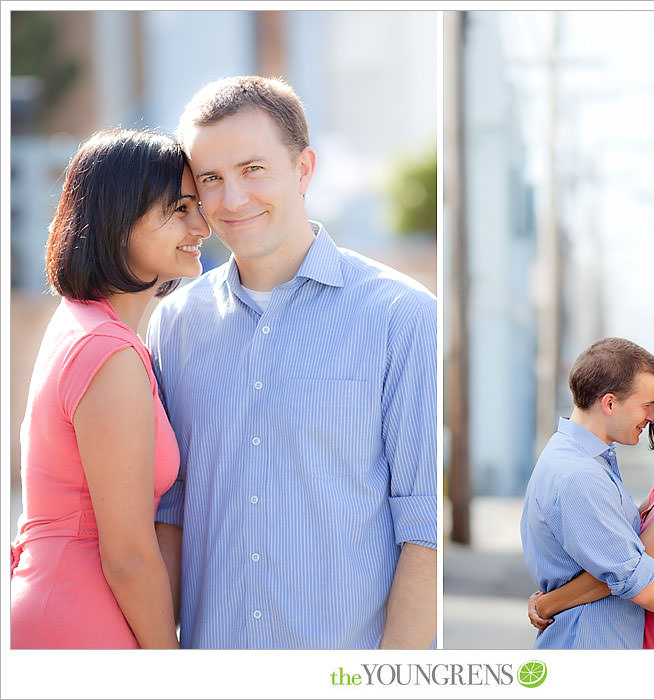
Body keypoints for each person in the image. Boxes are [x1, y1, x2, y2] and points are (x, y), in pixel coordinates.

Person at [147, 75, 437, 649]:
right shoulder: (175, 325)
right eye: (211, 179)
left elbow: (423, 532)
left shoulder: (403, 317)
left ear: (304, 169)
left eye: (253, 169)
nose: (232, 200)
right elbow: (171, 515)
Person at [11, 129, 210, 648]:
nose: (202, 225)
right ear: (120, 219)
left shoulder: (84, 323)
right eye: (180, 208)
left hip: (61, 603)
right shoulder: (108, 353)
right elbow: (127, 557)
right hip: (81, 618)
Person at [520, 338, 654, 649]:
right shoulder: (581, 474)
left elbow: (628, 564)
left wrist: (548, 603)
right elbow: (630, 571)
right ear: (609, 404)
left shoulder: (582, 461)